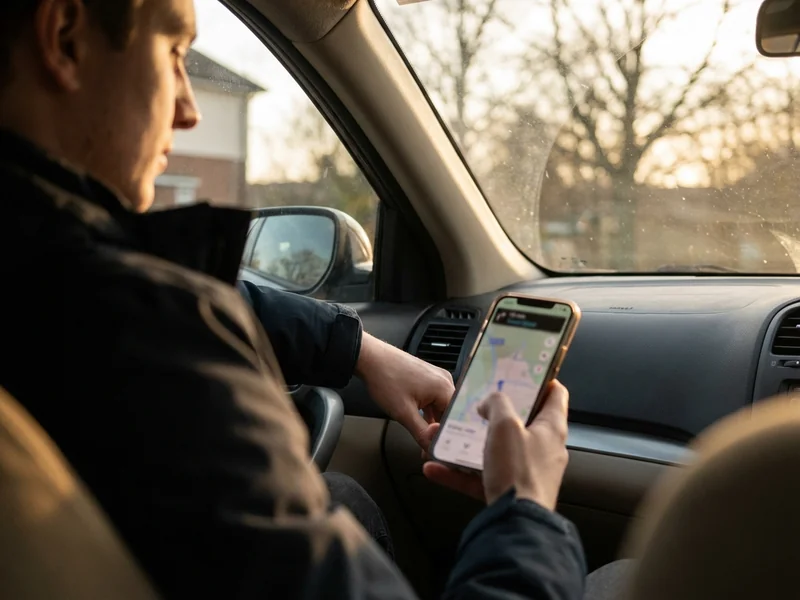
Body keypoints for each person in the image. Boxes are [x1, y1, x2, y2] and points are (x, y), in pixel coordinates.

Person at [0, 0, 586, 598]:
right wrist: (525, 513)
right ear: (65, 36)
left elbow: (219, 296)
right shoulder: (134, 330)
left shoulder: (48, 283)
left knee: (345, 500)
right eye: (174, 53)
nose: (188, 108)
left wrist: (357, 349)